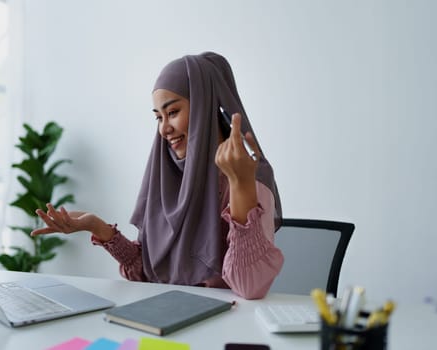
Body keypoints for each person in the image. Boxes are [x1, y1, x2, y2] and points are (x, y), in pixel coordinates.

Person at [32, 52, 284, 300]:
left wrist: (241, 184)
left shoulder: (249, 177)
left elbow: (249, 287)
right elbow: (148, 274)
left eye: (173, 112)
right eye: (158, 117)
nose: (164, 129)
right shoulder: (169, 175)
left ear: (205, 107)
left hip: (224, 324)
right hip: (167, 318)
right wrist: (97, 227)